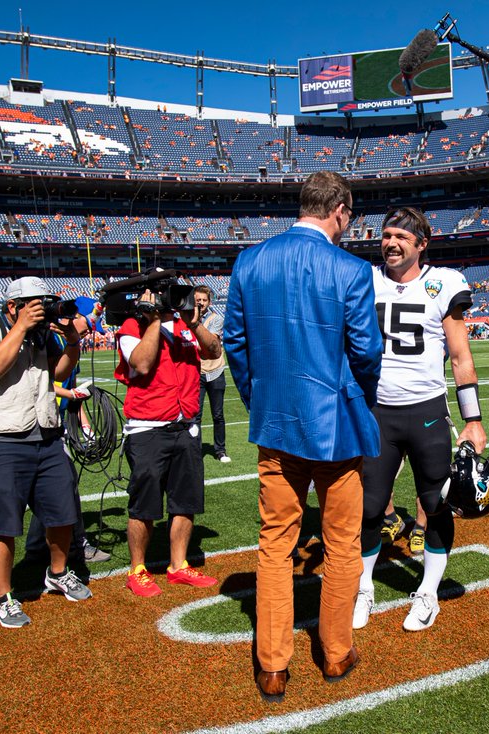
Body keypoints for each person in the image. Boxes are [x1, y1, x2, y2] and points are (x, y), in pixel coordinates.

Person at [224, 170, 381, 702]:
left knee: (275, 545)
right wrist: (360, 398)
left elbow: (235, 344)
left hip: (277, 426)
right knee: (342, 545)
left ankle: (272, 666)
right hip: (336, 428)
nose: (350, 223)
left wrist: (260, 400)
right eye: (350, 214)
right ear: (338, 208)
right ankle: (335, 652)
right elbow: (365, 353)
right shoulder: (352, 270)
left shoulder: (250, 262)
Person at [353, 206, 487, 633]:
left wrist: (474, 420)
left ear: (421, 244)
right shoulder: (365, 279)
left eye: (401, 237)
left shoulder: (443, 283)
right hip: (378, 411)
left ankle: (428, 592)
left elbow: (461, 356)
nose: (390, 243)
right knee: (370, 506)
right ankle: (364, 588)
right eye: (386, 234)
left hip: (427, 412)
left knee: (435, 503)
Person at [0, 276, 92, 629]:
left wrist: (71, 342)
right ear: (12, 306)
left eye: (45, 302)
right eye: (35, 303)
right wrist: (19, 327)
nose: (43, 308)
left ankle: (58, 572)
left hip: (47, 434)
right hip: (1, 437)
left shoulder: (41, 333)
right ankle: (3, 597)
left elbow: (59, 372)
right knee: (4, 522)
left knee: (63, 512)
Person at [115, 272, 221, 597]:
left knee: (184, 501)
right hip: (148, 427)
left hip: (185, 424)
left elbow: (214, 351)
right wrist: (154, 320)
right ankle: (138, 569)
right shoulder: (131, 326)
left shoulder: (185, 326)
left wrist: (194, 322)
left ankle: (178, 565)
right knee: (144, 504)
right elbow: (142, 364)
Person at [24, 297, 111, 566]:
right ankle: (77, 544)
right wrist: (72, 393)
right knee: (64, 485)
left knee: (53, 486)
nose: (88, 333)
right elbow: (43, 383)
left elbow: (71, 392)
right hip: (39, 424)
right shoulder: (54, 341)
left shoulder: (72, 345)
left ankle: (37, 544)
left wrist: (84, 425)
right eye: (87, 325)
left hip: (57, 422)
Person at [193, 285, 230, 464]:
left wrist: (195, 323)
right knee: (196, 414)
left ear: (210, 301)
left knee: (218, 414)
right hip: (197, 372)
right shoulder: (187, 319)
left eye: (204, 300)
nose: (200, 303)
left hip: (215, 371)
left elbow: (207, 345)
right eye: (197, 300)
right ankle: (195, 450)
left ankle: (220, 450)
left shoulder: (217, 319)